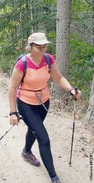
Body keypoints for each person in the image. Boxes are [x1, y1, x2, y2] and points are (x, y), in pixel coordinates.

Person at [8, 32, 81, 183]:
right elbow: (13, 87)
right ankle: (54, 177)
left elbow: (59, 77)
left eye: (44, 46)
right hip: (26, 104)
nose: (42, 50)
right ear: (30, 47)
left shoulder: (48, 59)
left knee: (35, 129)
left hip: (44, 102)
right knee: (44, 139)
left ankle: (26, 152)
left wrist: (71, 89)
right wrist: (13, 112)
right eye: (39, 47)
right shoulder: (22, 63)